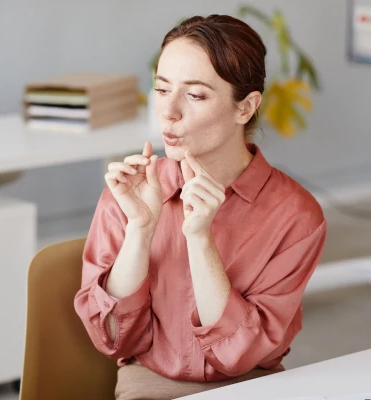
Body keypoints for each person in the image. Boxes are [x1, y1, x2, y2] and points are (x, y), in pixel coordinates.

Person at [74, 14, 327, 400]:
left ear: (245, 108)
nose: (169, 112)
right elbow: (113, 339)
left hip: (254, 384)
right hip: (153, 383)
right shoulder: (128, 193)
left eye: (195, 95)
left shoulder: (296, 215)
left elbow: (238, 356)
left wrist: (200, 239)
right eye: (161, 89)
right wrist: (140, 229)